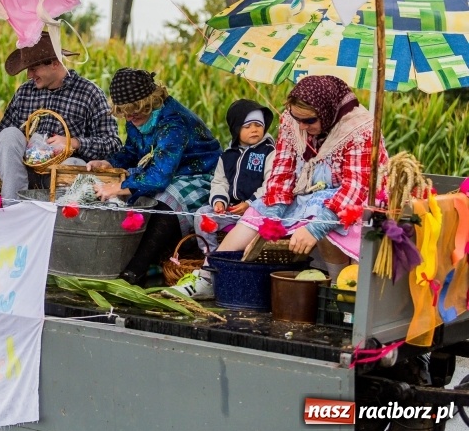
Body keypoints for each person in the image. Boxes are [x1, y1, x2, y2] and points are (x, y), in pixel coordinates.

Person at [216, 75, 388, 282]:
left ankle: (336, 286)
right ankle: (210, 274)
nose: (302, 126)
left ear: (327, 111)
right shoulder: (293, 122)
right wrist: (271, 222)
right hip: (308, 191)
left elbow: (355, 188)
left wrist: (314, 229)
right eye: (298, 119)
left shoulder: (359, 129)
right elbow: (282, 173)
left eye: (309, 120)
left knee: (325, 217)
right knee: (256, 212)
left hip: (353, 199)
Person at [86, 68, 222, 286]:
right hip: (168, 171)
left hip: (201, 176)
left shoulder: (173, 122)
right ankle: (135, 263)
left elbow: (159, 177)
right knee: (140, 195)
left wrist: (119, 186)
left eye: (135, 113)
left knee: (165, 197)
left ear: (150, 102)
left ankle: (137, 268)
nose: (130, 118)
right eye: (126, 114)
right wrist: (111, 163)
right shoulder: (136, 118)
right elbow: (132, 151)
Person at [0, 31, 122, 201]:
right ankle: (12, 206)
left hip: (66, 177)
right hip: (24, 174)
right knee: (8, 135)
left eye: (34, 69)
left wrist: (74, 143)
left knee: (72, 164)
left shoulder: (89, 93)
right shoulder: (24, 92)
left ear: (54, 63)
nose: (29, 75)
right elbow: (0, 139)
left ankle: (64, 215)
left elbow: (113, 144)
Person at [169, 99, 276, 299]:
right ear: (236, 129)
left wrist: (250, 203)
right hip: (232, 209)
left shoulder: (269, 152)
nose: (254, 130)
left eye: (258, 125)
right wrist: (219, 201)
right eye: (247, 126)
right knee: (202, 215)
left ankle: (218, 267)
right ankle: (213, 257)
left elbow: (271, 183)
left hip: (256, 210)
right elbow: (220, 182)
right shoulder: (227, 156)